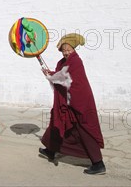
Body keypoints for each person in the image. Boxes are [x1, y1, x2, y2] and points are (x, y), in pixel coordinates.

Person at [39, 33, 105, 175]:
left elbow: (65, 78)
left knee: (84, 130)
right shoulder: (63, 62)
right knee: (57, 122)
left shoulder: (76, 61)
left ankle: (98, 163)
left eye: (69, 49)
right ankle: (50, 151)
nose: (66, 52)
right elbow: (60, 75)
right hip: (67, 101)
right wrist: (50, 73)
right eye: (64, 50)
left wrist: (51, 76)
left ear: (74, 49)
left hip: (79, 102)